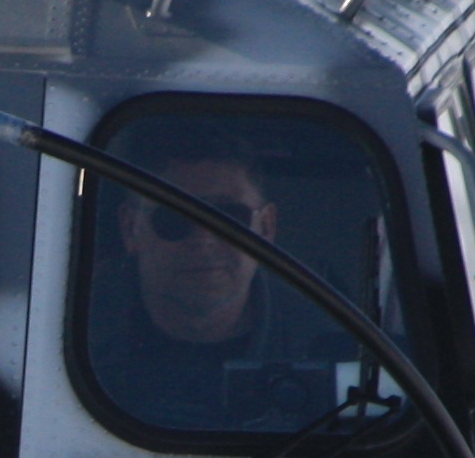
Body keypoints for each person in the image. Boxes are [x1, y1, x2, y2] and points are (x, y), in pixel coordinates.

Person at [88, 128, 323, 432]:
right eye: (173, 217)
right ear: (131, 228)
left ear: (265, 227)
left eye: (227, 217)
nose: (204, 240)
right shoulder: (66, 327)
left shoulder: (326, 343)